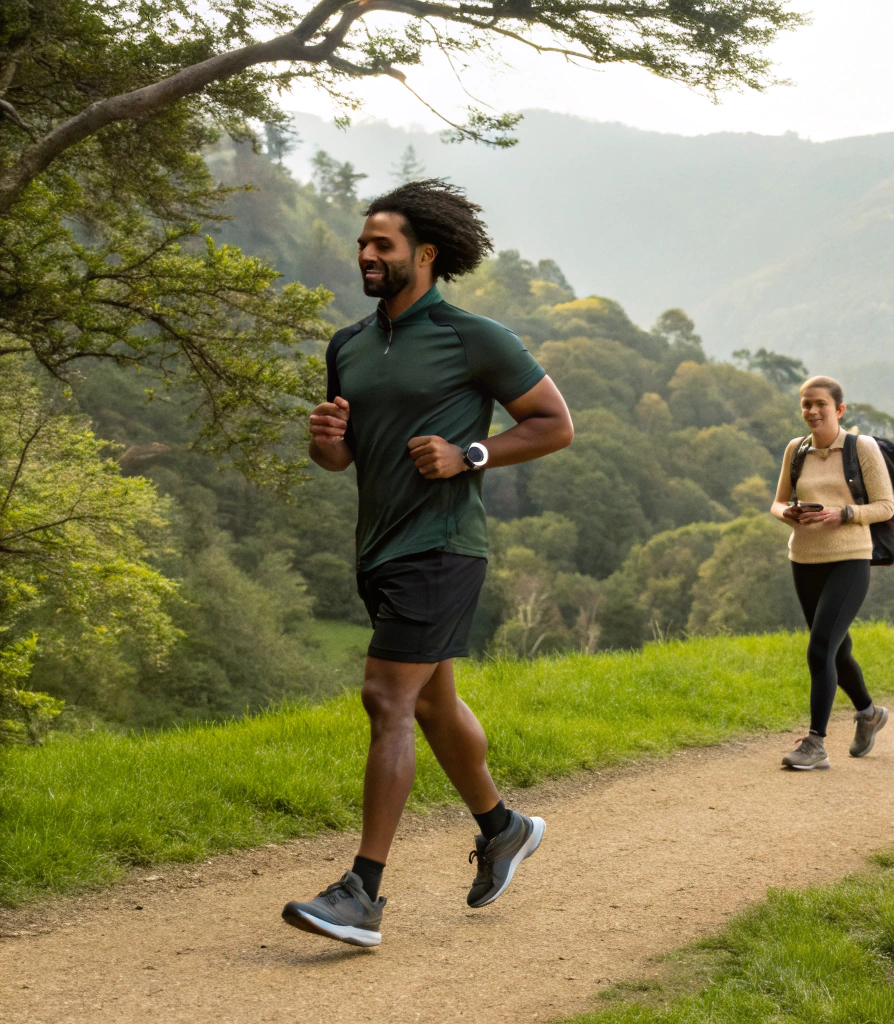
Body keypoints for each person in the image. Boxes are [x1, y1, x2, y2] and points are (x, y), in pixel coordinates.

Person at [282, 180, 575, 947]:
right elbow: (339, 458)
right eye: (362, 242)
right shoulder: (348, 345)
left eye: (382, 244)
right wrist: (325, 440)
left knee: (387, 697)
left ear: (426, 253)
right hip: (377, 546)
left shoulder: (472, 336)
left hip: (442, 545)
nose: (366, 254)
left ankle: (363, 894)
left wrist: (469, 452)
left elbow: (553, 423)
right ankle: (503, 827)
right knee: (435, 705)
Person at [769, 375, 894, 771]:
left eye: (820, 404)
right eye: (806, 404)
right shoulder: (797, 449)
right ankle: (869, 713)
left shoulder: (862, 449)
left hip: (850, 559)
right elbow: (775, 503)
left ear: (839, 410)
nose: (811, 411)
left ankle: (815, 743)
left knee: (820, 647)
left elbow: (886, 506)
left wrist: (843, 514)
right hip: (804, 560)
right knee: (836, 651)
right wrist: (787, 514)